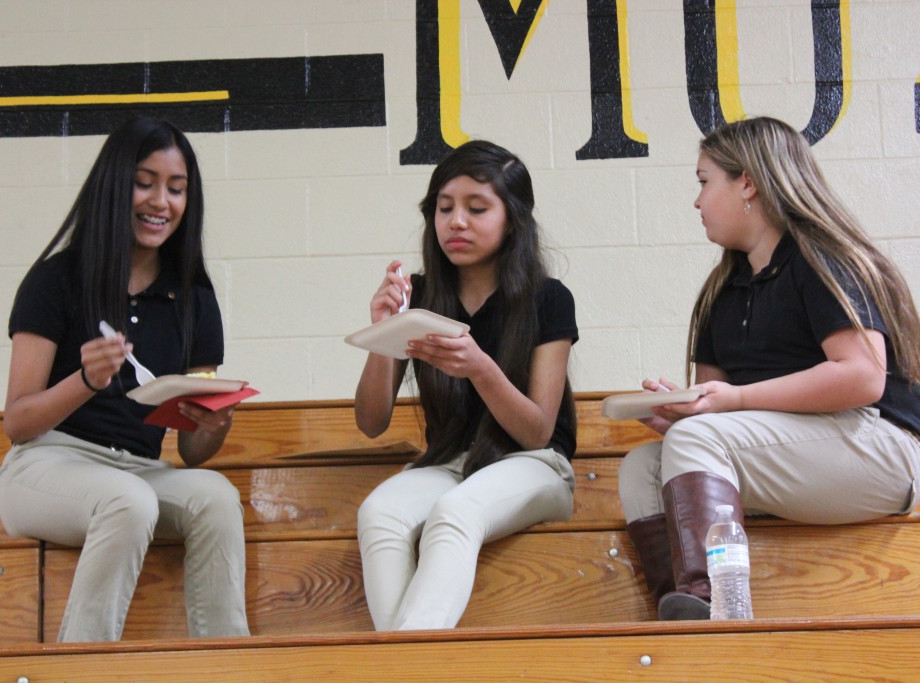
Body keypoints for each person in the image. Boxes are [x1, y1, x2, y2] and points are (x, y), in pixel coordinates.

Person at [618, 116, 920, 620]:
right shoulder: (723, 290)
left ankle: (716, 606)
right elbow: (715, 419)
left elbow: (863, 377)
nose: (696, 201)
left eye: (703, 181)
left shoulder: (823, 258)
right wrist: (680, 415)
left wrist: (730, 403)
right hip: (807, 455)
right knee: (640, 467)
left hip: (884, 447)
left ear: (748, 183)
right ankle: (683, 613)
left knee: (694, 443)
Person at [0, 117, 249, 642]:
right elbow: (18, 423)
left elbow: (195, 451)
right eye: (145, 182)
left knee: (216, 495)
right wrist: (86, 380)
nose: (161, 201)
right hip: (45, 464)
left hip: (139, 468)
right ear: (115, 185)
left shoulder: (194, 299)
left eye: (176, 189)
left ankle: (224, 663)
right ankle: (84, 670)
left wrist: (215, 420)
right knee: (128, 502)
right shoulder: (57, 280)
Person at [354, 140, 579, 631]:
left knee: (453, 514)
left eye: (477, 208)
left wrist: (481, 368)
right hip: (450, 463)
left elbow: (538, 432)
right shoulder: (419, 294)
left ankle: (404, 670)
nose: (456, 221)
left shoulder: (548, 298)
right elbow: (371, 423)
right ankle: (412, 668)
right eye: (444, 208)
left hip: (535, 465)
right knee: (379, 514)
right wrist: (382, 332)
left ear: (513, 219)